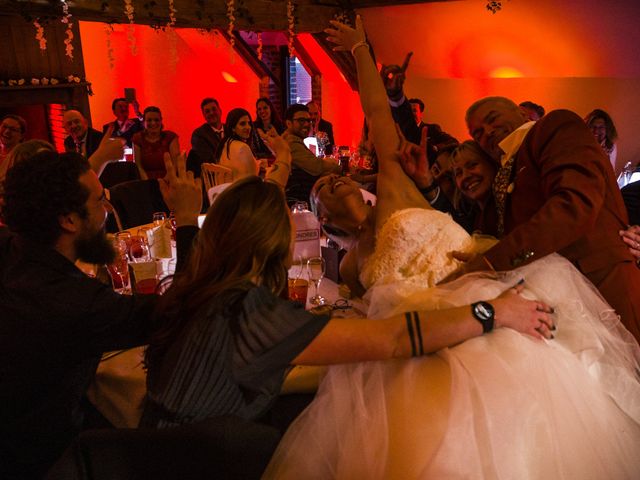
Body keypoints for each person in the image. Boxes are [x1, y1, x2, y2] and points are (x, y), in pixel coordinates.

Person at [264, 17, 640, 479]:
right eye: (322, 186)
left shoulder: (399, 192)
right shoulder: (348, 267)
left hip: (509, 303)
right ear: (321, 217)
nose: (335, 180)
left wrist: (360, 50)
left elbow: (381, 120)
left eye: (488, 127)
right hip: (427, 335)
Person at [140, 175, 550, 432]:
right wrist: (493, 312)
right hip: (197, 461)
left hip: (161, 446)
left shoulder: (198, 290)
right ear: (270, 239)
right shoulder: (246, 311)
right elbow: (392, 339)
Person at [0, 151, 201, 479]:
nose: (106, 209)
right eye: (98, 200)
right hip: (41, 459)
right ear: (68, 220)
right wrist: (188, 218)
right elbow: (181, 312)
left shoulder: (10, 248)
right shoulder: (73, 303)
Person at [461, 96, 640, 341]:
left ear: (522, 115)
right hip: (555, 303)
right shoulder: (503, 172)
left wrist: (490, 263)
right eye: (478, 133)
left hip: (601, 282)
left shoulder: (553, 127)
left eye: (493, 119)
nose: (488, 133)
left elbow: (574, 204)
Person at [284, 104, 341, 205]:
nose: (307, 124)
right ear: (289, 123)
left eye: (308, 120)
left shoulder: (295, 140)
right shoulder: (291, 143)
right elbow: (317, 167)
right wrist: (339, 167)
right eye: (301, 120)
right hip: (301, 200)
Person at [132, 106, 180, 180]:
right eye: (149, 120)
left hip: (170, 180)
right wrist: (147, 183)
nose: (153, 123)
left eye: (156, 120)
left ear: (161, 121)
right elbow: (138, 165)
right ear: (144, 122)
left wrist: (164, 181)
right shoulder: (137, 138)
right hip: (145, 182)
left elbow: (175, 164)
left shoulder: (171, 137)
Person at [187, 97, 224, 177]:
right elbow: (208, 161)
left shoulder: (230, 129)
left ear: (220, 111)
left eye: (214, 109)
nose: (211, 113)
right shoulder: (199, 135)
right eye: (207, 111)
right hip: (213, 177)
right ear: (204, 116)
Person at [0, 114, 26, 184]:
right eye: (4, 126)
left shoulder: (21, 155)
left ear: (21, 136)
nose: (7, 131)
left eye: (13, 129)